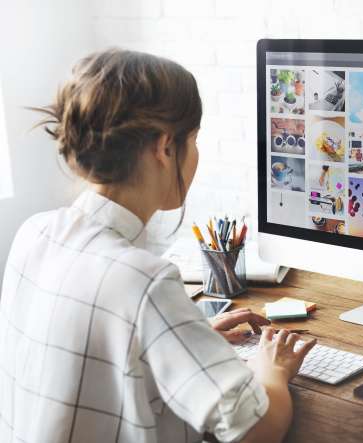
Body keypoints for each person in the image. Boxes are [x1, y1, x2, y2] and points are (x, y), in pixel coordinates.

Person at [0, 49, 316, 443]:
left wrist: (186, 340)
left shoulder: (35, 233)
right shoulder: (142, 280)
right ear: (165, 147)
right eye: (194, 139)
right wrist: (274, 371)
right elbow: (257, 430)